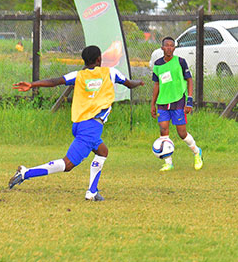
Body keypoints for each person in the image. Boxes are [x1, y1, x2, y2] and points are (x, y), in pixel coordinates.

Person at [8, 45, 144, 200]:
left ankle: (92, 192)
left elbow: (54, 81)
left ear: (84, 60)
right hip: (92, 126)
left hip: (79, 125)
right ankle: (26, 173)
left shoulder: (78, 75)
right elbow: (128, 83)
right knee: (67, 165)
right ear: (99, 59)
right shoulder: (110, 72)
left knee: (102, 151)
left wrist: (32, 84)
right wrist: (138, 82)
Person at [151, 36, 203, 172]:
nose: (169, 48)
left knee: (182, 133)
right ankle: (168, 162)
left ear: (174, 48)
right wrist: (152, 104)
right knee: (163, 130)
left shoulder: (180, 62)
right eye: (166, 45)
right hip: (162, 102)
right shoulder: (157, 64)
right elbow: (157, 84)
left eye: (171, 45)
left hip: (178, 100)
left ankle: (197, 152)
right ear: (162, 48)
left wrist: (189, 100)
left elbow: (189, 80)